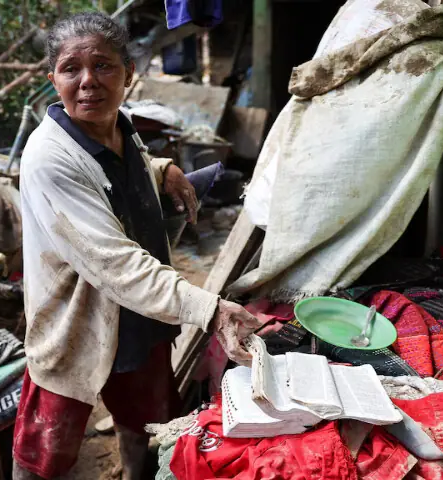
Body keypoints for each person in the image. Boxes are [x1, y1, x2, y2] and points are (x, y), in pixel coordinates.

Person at [13, 12, 261, 480]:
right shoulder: (49, 159)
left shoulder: (122, 126)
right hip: (75, 325)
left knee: (145, 423)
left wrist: (161, 166)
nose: (88, 82)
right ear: (53, 80)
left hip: (139, 320)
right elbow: (115, 263)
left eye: (103, 66)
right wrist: (211, 309)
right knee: (45, 451)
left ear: (129, 73)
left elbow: (118, 173)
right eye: (71, 69)